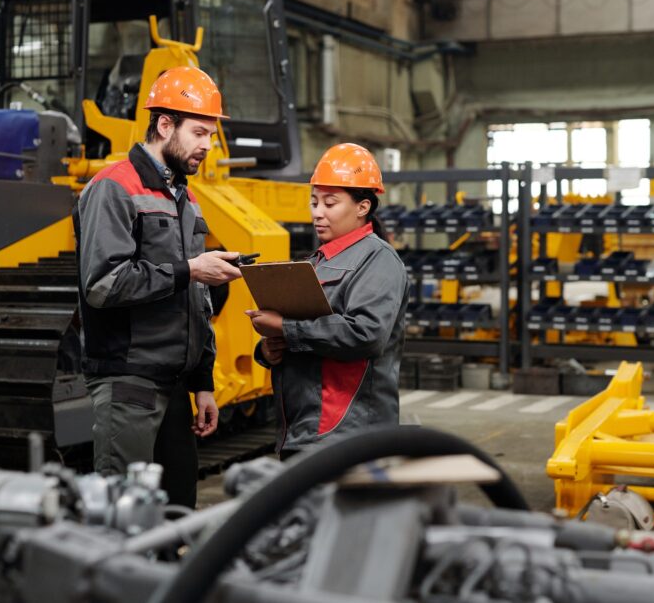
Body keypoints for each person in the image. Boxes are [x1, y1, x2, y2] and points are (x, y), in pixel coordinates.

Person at [74, 65, 243, 507]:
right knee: (126, 514)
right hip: (129, 381)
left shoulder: (184, 198)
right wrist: (191, 269)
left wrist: (203, 381)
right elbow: (104, 284)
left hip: (173, 385)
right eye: (200, 133)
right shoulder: (113, 188)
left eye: (212, 135)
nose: (208, 146)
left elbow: (196, 301)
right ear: (165, 125)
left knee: (177, 509)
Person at [248, 143, 409, 458]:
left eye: (330, 203)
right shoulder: (317, 261)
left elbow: (367, 334)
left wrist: (286, 327)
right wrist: (270, 348)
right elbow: (307, 329)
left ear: (363, 207)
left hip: (348, 430)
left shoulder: (378, 260)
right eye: (314, 202)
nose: (317, 213)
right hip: (303, 427)